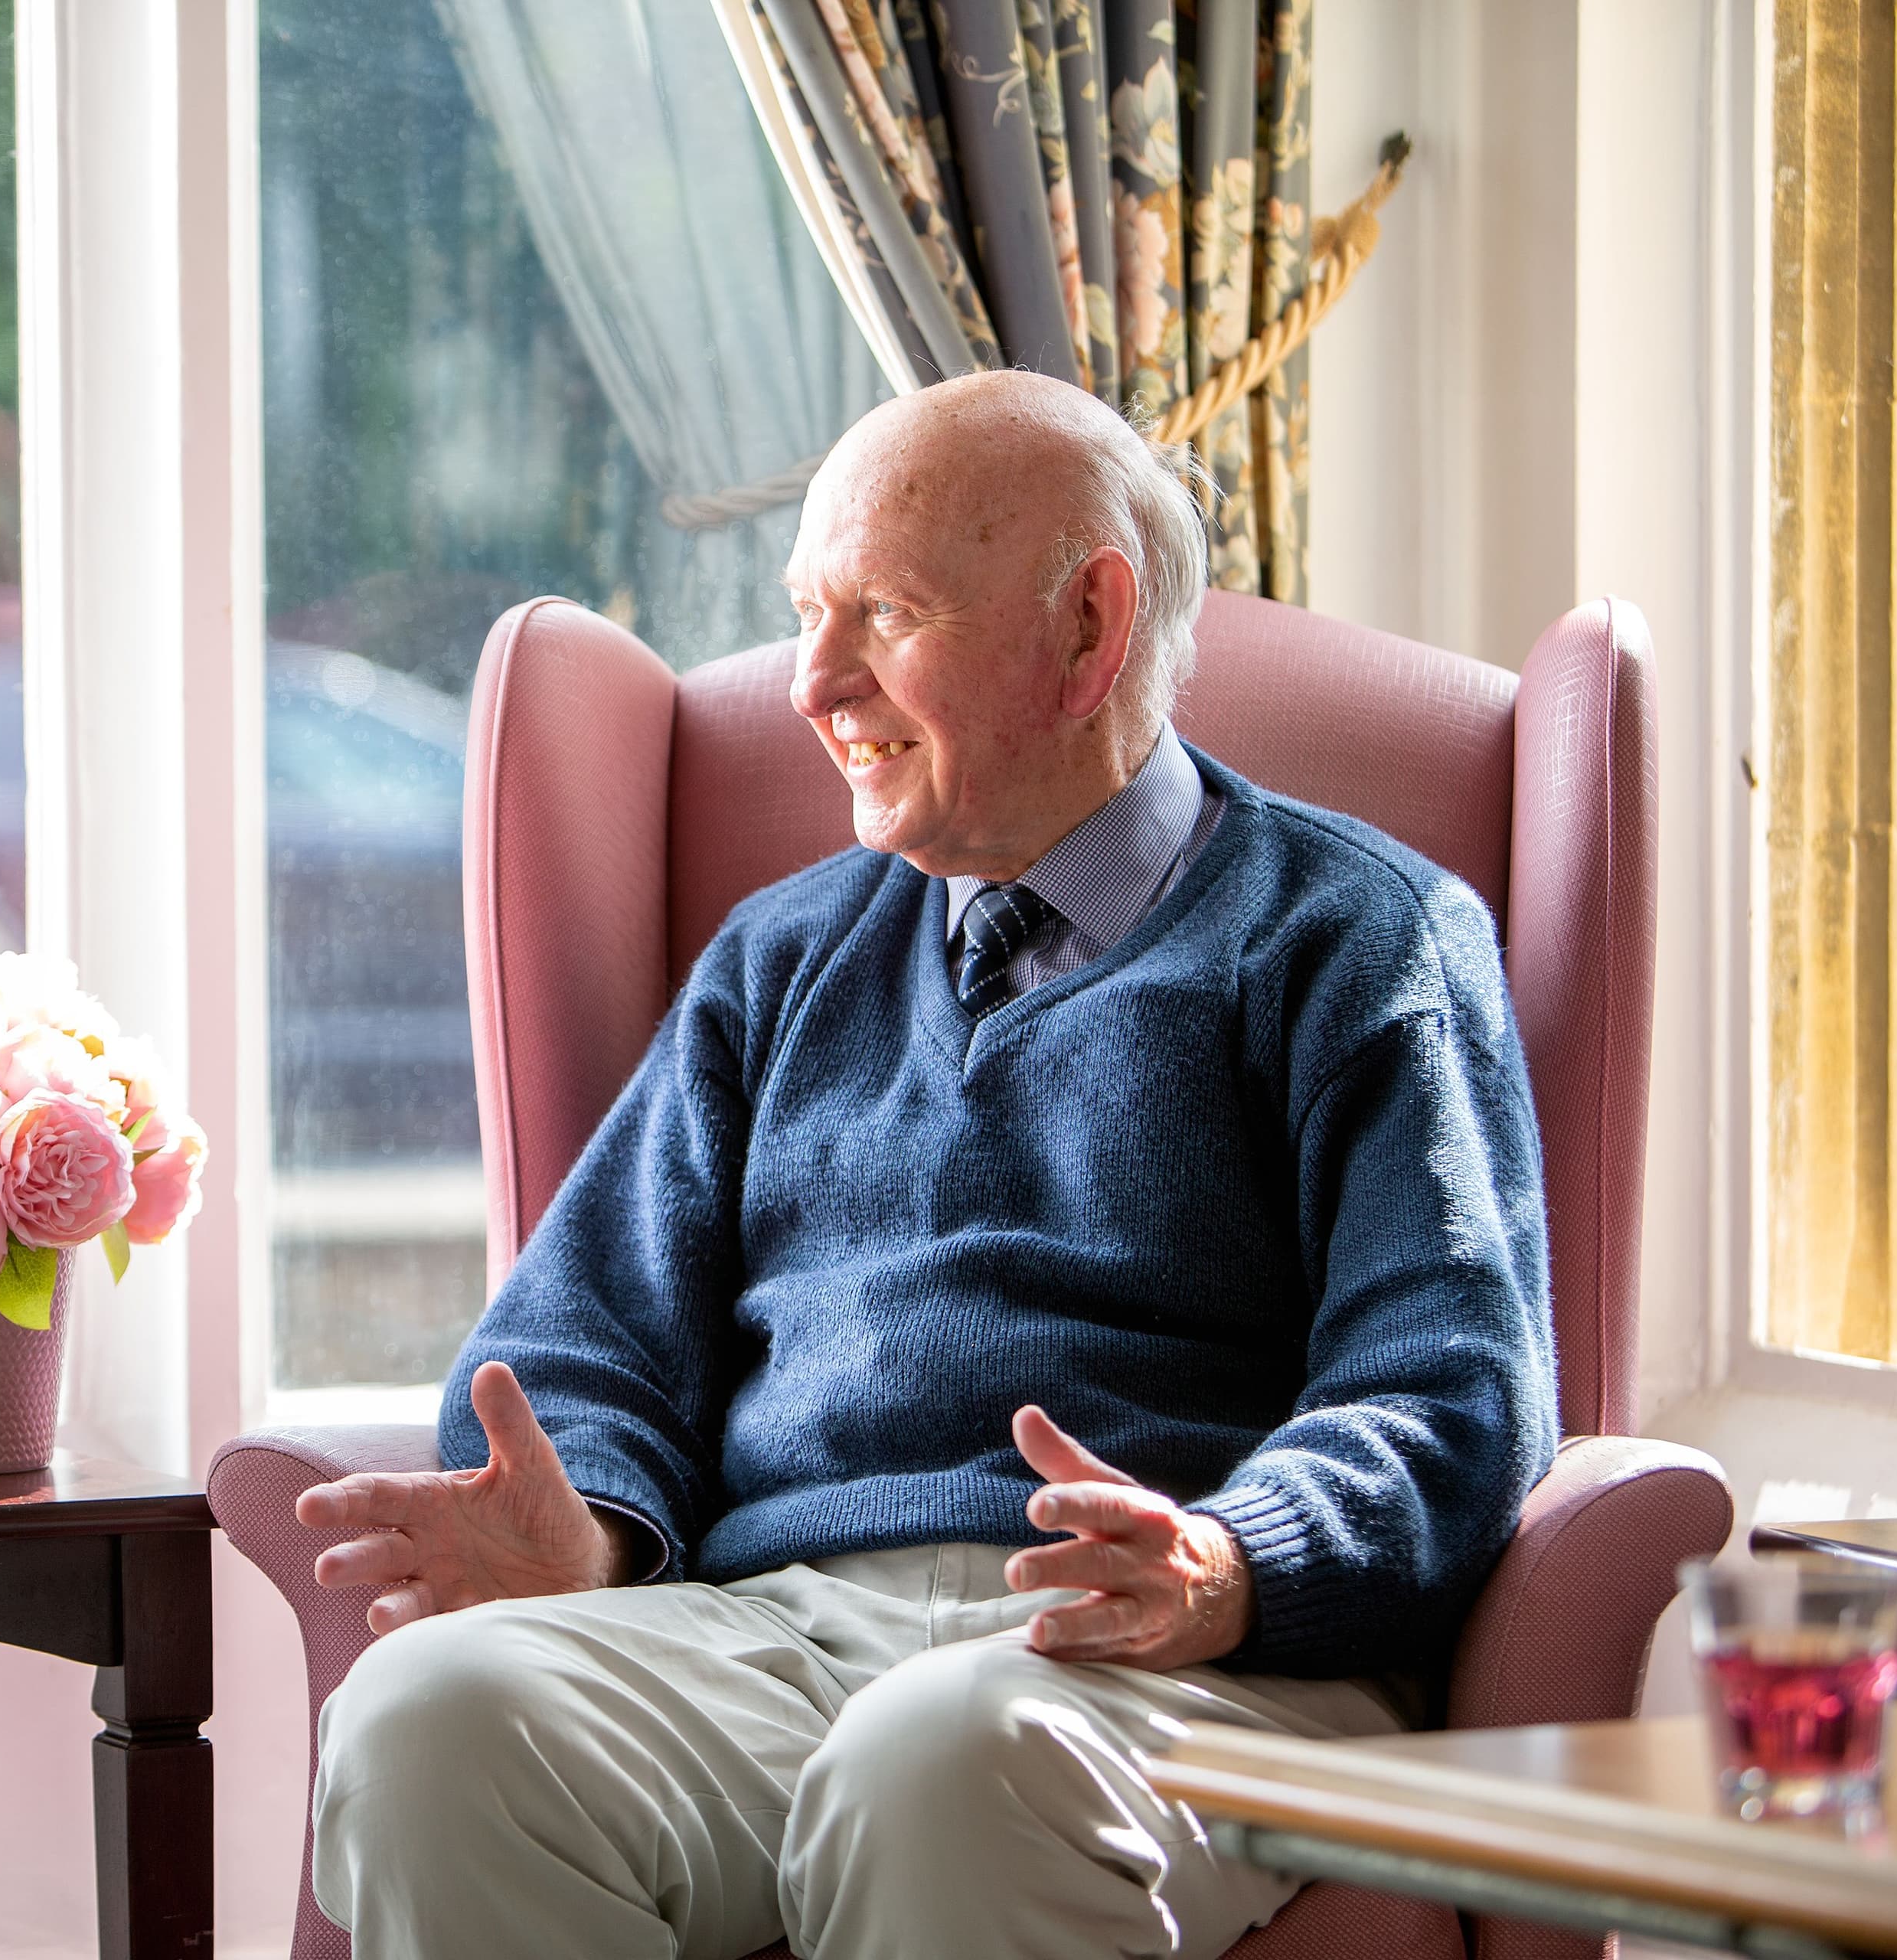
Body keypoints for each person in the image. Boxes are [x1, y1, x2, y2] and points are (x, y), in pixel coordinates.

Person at [292, 370, 1557, 1960]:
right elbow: (579, 1340)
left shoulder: (1356, 934)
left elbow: (1449, 1389)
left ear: (1089, 630)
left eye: (879, 614)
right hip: (782, 1625)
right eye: (805, 615)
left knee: (946, 1759)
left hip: (1189, 1653)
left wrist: (1234, 1555)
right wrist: (599, 1526)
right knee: (430, 1715)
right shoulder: (781, 958)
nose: (814, 682)